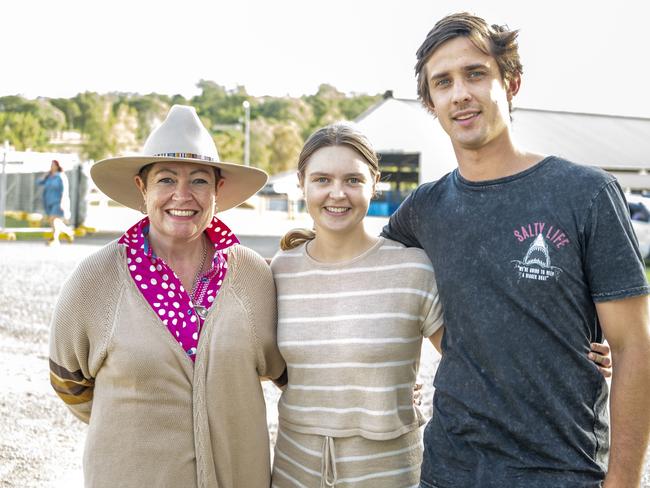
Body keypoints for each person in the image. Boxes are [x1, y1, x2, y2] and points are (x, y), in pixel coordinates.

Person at [381, 12, 650, 488]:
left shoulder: (585, 193)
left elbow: (634, 346)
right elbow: (365, 268)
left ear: (512, 83)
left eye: (476, 74)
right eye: (442, 83)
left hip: (563, 470)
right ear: (431, 103)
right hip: (448, 469)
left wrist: (624, 479)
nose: (460, 93)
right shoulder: (426, 207)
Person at [270, 123, 613, 487]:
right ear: (301, 183)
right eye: (322, 179)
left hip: (389, 473)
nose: (337, 193)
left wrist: (564, 354)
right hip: (295, 468)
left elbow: (476, 356)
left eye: (353, 180)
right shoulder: (280, 270)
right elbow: (265, 361)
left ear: (374, 182)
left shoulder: (411, 268)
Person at [49, 105, 285, 487]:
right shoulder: (95, 278)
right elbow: (68, 381)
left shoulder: (253, 274)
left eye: (199, 181)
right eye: (165, 180)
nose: (182, 195)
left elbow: (294, 368)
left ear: (218, 191)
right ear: (141, 188)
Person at [38, 159, 74, 245]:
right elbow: (39, 182)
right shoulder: (49, 177)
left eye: (53, 165)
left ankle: (55, 239)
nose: (51, 166)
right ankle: (68, 232)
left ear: (58, 166)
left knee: (53, 219)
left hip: (58, 201)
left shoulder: (61, 176)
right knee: (54, 221)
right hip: (49, 202)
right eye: (51, 165)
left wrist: (62, 201)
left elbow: (64, 190)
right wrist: (45, 175)